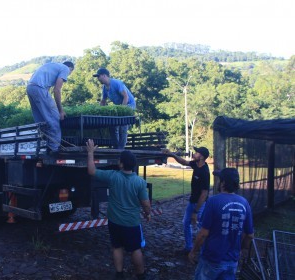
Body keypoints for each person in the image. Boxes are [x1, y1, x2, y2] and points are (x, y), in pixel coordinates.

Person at [86, 139, 151, 280]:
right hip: (132, 223)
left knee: (116, 247)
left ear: (121, 164)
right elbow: (146, 204)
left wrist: (90, 152)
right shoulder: (140, 182)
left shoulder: (112, 176)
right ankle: (141, 275)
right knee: (135, 249)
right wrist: (147, 214)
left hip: (114, 221)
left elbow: (91, 171)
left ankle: (119, 274)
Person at [188, 168, 254, 279]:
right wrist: (241, 249)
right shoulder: (244, 203)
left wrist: (193, 251)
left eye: (220, 179)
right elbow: (250, 235)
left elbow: (203, 233)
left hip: (212, 259)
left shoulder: (213, 201)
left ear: (223, 183)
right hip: (232, 261)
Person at [164, 147, 210, 254]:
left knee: (200, 227)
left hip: (200, 204)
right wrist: (172, 154)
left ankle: (203, 252)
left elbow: (204, 194)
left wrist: (195, 211)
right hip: (192, 201)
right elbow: (184, 162)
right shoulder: (196, 164)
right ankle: (189, 247)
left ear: (202, 157)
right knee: (186, 223)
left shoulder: (204, 171)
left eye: (197, 153)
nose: (194, 154)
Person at [26, 61, 74, 152]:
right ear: (70, 69)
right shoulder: (65, 69)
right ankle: (54, 149)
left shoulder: (52, 65)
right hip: (39, 88)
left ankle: (42, 147)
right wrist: (61, 111)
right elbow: (57, 90)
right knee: (54, 119)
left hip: (30, 88)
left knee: (42, 122)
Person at [93, 68, 136, 150]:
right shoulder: (105, 88)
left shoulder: (116, 83)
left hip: (129, 105)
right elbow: (103, 101)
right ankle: (116, 147)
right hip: (119, 107)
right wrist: (98, 111)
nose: (98, 79)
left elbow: (125, 97)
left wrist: (122, 110)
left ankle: (121, 149)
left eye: (99, 76)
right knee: (113, 125)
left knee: (122, 126)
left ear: (104, 75)